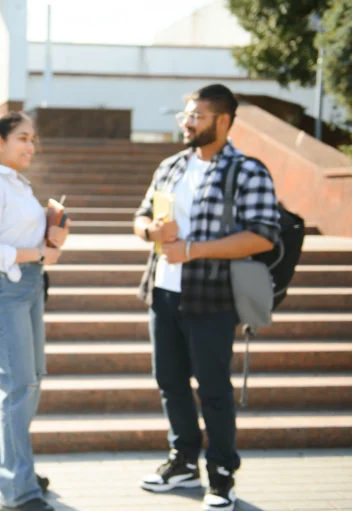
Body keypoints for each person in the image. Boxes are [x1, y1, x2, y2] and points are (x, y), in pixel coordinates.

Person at [134, 84, 280, 511]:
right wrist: (150, 232)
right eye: (186, 116)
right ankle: (182, 462)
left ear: (223, 121)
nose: (186, 122)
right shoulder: (171, 166)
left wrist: (193, 249)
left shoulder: (247, 171)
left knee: (213, 389)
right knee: (169, 382)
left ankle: (220, 475)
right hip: (163, 291)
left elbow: (263, 236)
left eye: (196, 116)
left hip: (212, 298)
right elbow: (140, 216)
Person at [0, 112, 70, 511]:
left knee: (27, 380)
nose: (31, 146)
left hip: (29, 284)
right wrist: (39, 251)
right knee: (17, 385)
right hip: (2, 288)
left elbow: (18, 237)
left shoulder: (18, 185)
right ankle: (17, 488)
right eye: (23, 138)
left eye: (34, 139)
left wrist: (51, 236)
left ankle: (2, 466)